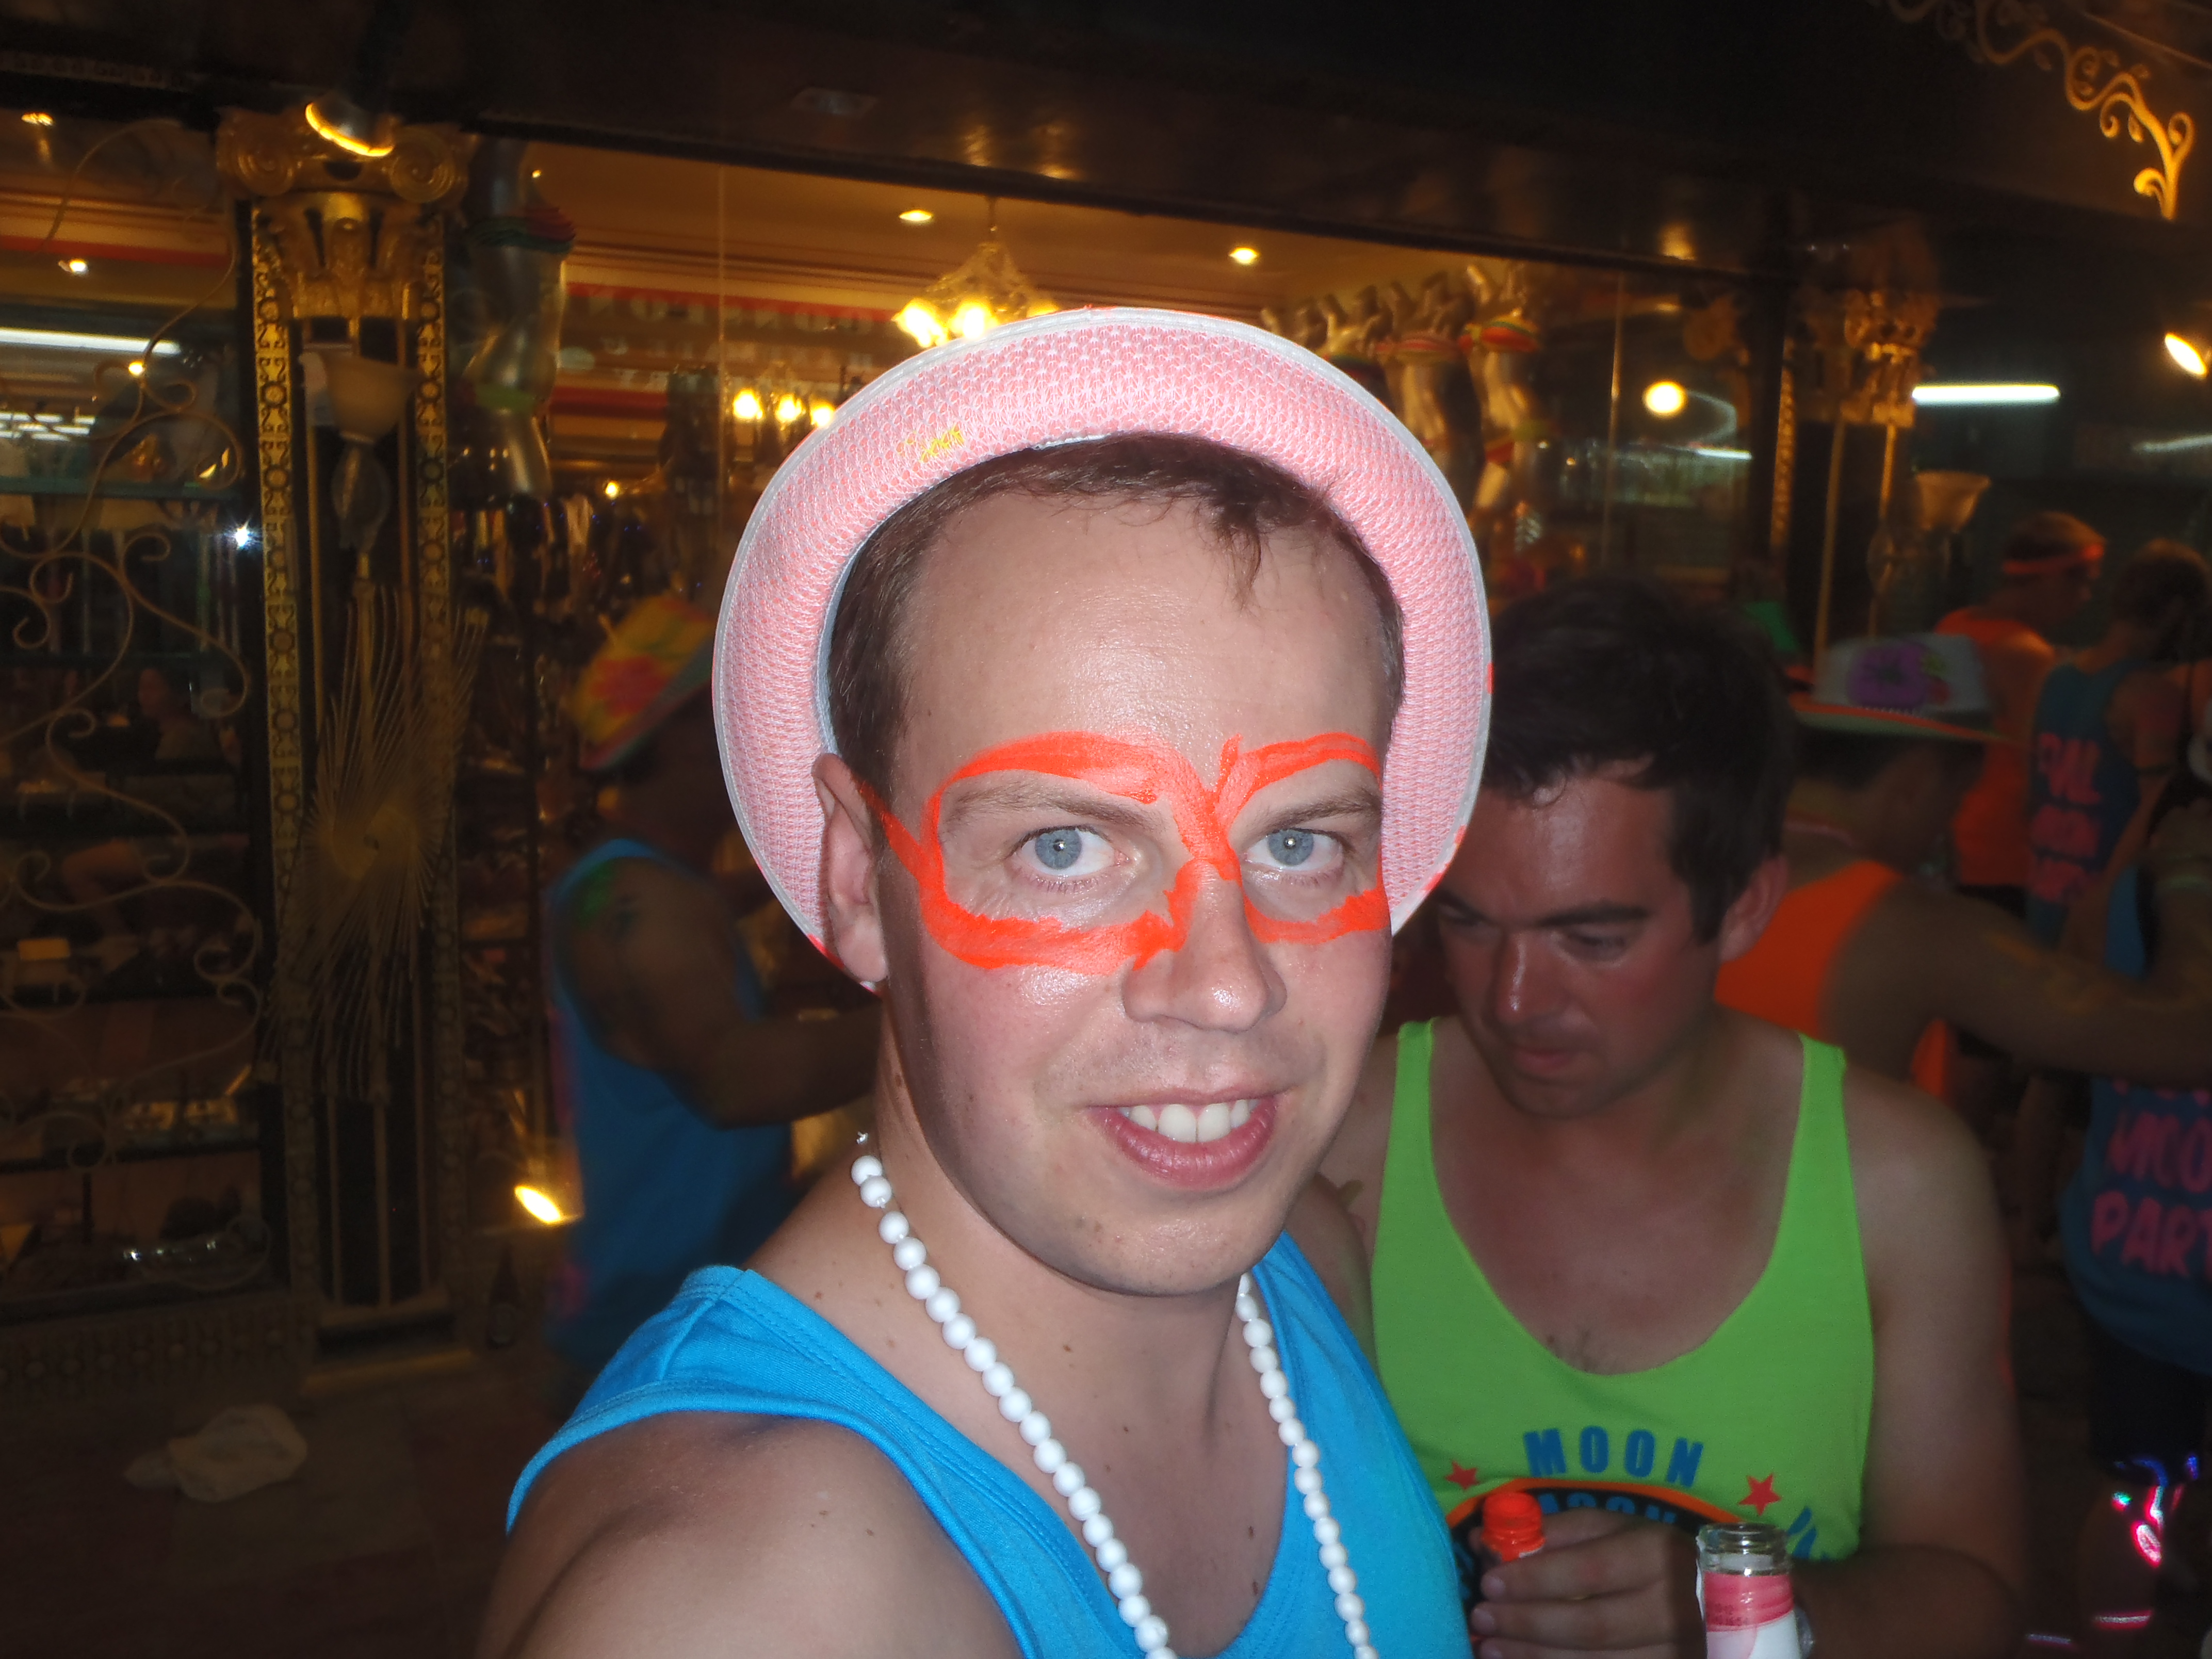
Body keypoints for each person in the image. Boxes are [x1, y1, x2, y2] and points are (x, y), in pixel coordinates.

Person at [482, 311, 1488, 1656]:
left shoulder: (1301, 1258)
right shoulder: (749, 1600)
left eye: (1300, 844)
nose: (1227, 989)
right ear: (858, 879)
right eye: (1063, 847)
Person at [1313, 577, 2026, 1659]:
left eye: (1591, 939)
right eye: (1468, 924)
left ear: (1741, 907)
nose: (1513, 999)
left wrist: (1745, 1613)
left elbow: (1974, 1595)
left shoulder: (1893, 1185)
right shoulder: (1341, 1144)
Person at [542, 594, 881, 1383]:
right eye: (733, 722)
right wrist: (937, 1026)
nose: (755, 746)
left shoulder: (654, 884)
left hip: (689, 1301)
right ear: (682, 740)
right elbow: (737, 1081)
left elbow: (715, 906)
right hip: (654, 1323)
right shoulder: (640, 904)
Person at [1710, 630, 2212, 1094]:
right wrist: (2188, 877)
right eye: (1954, 802)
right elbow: (2189, 1040)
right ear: (1916, 784)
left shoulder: (1706, 861)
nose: (1945, 832)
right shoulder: (1913, 931)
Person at [2031, 742, 2212, 1657]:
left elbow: (2058, 1061)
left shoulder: (2123, 895)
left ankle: (2119, 1628)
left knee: (2135, 1487)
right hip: (2164, 1276)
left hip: (2129, 1250)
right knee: (2146, 1486)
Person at [2024, 539, 2208, 943]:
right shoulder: (2153, 694)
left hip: (2043, 893)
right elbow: (2155, 811)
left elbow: (2032, 790)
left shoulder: (2054, 678)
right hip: (2107, 910)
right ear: (2178, 611)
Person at [1937, 509, 2105, 924]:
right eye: (2082, 583)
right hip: (2002, 851)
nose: (2085, 598)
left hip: (1947, 833)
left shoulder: (1953, 625)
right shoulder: (2023, 653)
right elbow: (2040, 766)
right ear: (2051, 578)